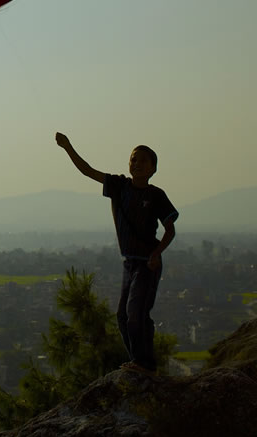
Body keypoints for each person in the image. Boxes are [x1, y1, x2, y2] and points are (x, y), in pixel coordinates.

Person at [55, 132, 178, 374]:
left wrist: (156, 254)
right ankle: (137, 361)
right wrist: (68, 147)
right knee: (123, 316)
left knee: (136, 314)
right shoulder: (119, 186)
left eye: (143, 160)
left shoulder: (156, 195)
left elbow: (170, 230)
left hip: (147, 263)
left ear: (153, 169)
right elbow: (88, 171)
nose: (137, 163)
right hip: (129, 263)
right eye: (133, 159)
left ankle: (145, 364)